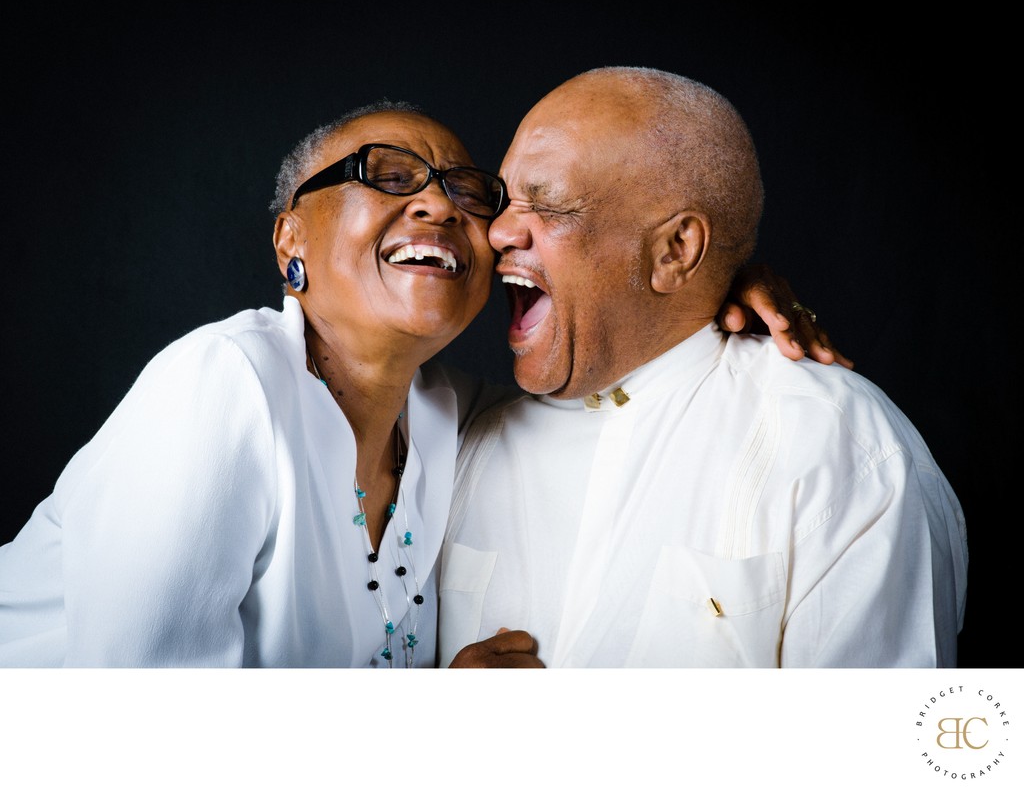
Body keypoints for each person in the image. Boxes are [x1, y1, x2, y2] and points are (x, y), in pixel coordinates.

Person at [0, 99, 836, 668]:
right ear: (291, 240)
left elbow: (629, 321)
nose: (440, 207)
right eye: (388, 174)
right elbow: (131, 746)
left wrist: (703, 283)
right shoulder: (220, 387)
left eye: (467, 192)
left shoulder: (450, 421)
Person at [438, 67, 968, 669]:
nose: (499, 229)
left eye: (549, 203)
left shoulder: (842, 449)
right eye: (504, 200)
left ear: (675, 250)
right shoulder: (444, 439)